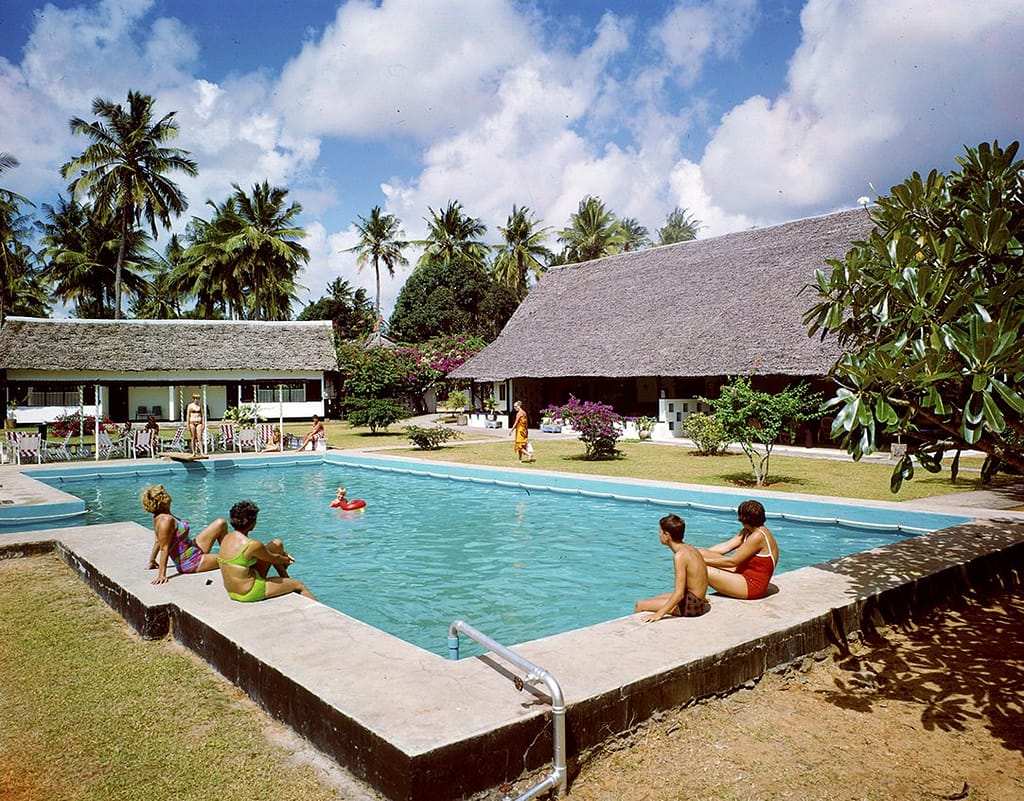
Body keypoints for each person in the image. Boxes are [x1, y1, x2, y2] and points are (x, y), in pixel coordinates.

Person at [217, 500, 316, 602]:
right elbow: (274, 559)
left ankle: (286, 580)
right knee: (299, 585)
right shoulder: (252, 545)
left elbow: (266, 554)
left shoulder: (226, 538)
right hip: (248, 592)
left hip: (232, 592)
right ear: (252, 522)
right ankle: (326, 616)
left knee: (276, 544)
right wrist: (286, 559)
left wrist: (280, 556)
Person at [140, 484, 227, 585]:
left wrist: (152, 560)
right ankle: (229, 555)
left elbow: (157, 541)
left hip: (193, 549)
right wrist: (161, 574)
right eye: (164, 493)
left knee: (221, 523)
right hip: (191, 562)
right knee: (228, 560)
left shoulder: (161, 516)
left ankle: (227, 551)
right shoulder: (166, 521)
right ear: (163, 499)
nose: (168, 494)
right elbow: (164, 547)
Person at [634, 513, 711, 622]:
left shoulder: (679, 556)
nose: (659, 535)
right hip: (697, 600)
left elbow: (679, 594)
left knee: (640, 605)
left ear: (667, 535)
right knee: (653, 599)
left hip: (691, 607)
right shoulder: (690, 548)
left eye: (660, 532)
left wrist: (659, 615)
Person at [699, 499, 779, 600]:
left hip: (751, 585)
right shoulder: (748, 531)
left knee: (700, 568)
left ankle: (695, 599)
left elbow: (732, 561)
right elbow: (726, 546)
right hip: (742, 573)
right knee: (700, 553)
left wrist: (701, 561)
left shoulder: (758, 536)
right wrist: (696, 554)